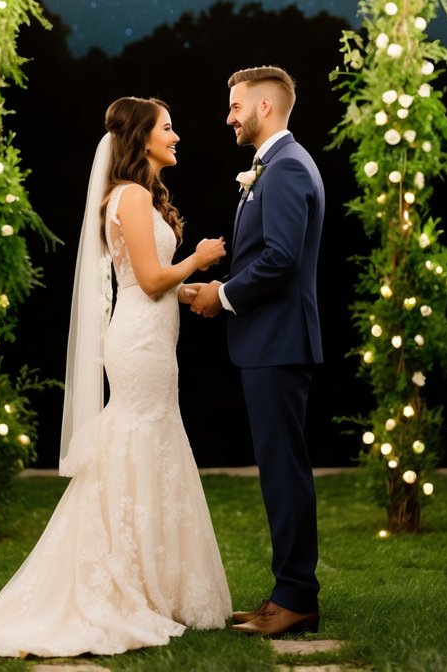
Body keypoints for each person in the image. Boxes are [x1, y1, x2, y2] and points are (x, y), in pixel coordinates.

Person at [0, 96, 231, 659]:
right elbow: (151, 279)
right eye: (167, 127)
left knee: (152, 439)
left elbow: (146, 283)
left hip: (155, 337)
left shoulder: (143, 196)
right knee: (135, 438)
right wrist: (198, 260)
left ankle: (153, 578)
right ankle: (121, 577)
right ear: (141, 138)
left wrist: (187, 290)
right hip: (137, 342)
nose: (176, 135)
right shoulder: (129, 195)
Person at [187, 66, 324, 639]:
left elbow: (281, 259)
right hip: (268, 342)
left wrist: (222, 295)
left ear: (265, 106)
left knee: (284, 470)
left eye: (235, 105)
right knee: (277, 470)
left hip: (277, 341)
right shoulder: (274, 166)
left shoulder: (288, 167)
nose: (229, 116)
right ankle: (285, 592)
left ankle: (296, 597)